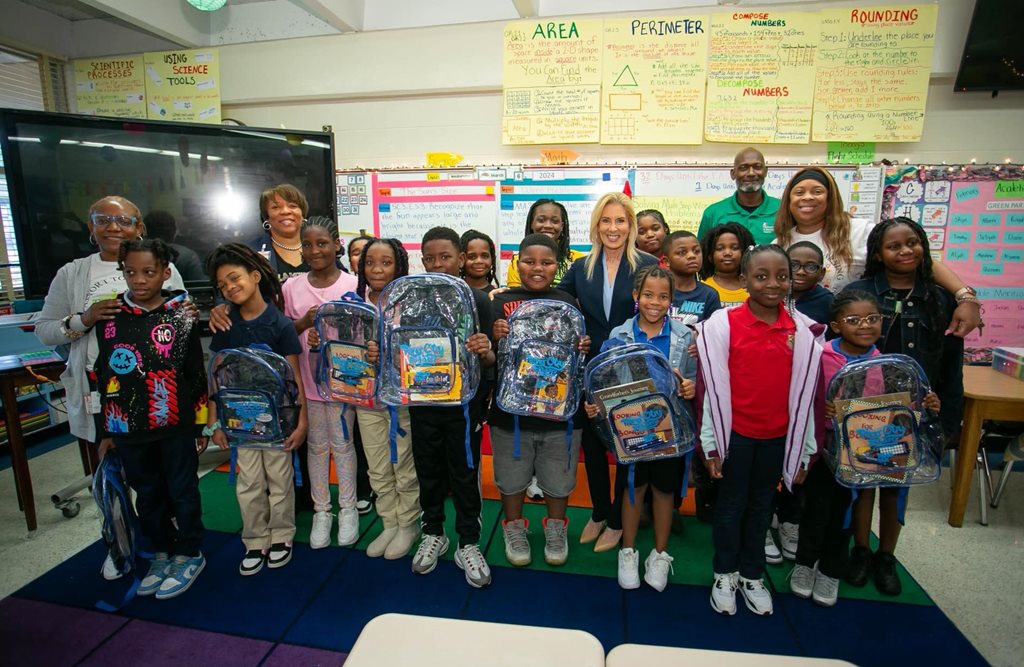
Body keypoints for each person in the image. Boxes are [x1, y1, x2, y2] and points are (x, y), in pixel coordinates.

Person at [35, 195, 185, 581]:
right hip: (101, 394)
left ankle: (169, 544)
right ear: (90, 227)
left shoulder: (166, 269)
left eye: (124, 220)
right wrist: (83, 319)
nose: (113, 227)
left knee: (159, 477)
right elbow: (44, 329)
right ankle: (119, 542)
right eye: (103, 219)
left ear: (140, 227)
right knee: (112, 474)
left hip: (155, 395)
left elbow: (180, 325)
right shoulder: (72, 274)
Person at [787, 289, 940, 607]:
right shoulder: (818, 357)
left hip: (862, 455)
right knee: (815, 510)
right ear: (836, 325)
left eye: (873, 318)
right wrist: (821, 408)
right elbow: (798, 398)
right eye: (853, 319)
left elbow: (901, 410)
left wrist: (925, 404)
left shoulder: (889, 365)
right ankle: (805, 564)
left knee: (845, 513)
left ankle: (831, 570)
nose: (865, 325)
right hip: (821, 449)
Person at [697, 245, 823, 617]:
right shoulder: (722, 325)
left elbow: (806, 398)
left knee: (761, 508)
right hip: (734, 437)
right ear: (744, 280)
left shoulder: (802, 331)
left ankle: (752, 574)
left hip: (777, 439)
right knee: (730, 506)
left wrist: (805, 450)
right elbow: (712, 391)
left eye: (781, 276)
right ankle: (725, 572)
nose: (772, 284)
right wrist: (710, 446)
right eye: (761, 276)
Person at [844, 217, 964, 596]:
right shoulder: (860, 292)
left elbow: (950, 364)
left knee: (896, 487)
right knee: (864, 484)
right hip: (864, 409)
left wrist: (948, 419)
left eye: (911, 243)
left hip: (914, 411)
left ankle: (887, 555)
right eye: (893, 246)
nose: (904, 251)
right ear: (878, 252)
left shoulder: (939, 298)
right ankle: (861, 550)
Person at [93, 239, 207, 599]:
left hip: (174, 422)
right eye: (130, 272)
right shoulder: (108, 316)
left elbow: (194, 372)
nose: (139, 280)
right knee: (148, 492)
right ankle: (161, 551)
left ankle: (189, 552)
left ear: (165, 272)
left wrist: (200, 424)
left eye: (149, 272)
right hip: (127, 424)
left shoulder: (183, 313)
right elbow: (102, 372)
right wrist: (106, 430)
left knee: (182, 489)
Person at [558, 192, 660, 553]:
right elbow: (559, 307)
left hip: (633, 369)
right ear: (596, 225)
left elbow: (660, 307)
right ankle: (600, 512)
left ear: (631, 226)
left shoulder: (647, 263)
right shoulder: (580, 266)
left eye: (620, 221)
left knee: (627, 443)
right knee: (593, 444)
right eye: (606, 220)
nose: (613, 228)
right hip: (590, 371)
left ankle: (619, 519)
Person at [775, 168, 983, 339]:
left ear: (830, 197)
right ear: (789, 200)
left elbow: (915, 259)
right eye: (799, 192)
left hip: (862, 334)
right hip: (806, 335)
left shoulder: (858, 230)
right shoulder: (781, 242)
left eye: (817, 191)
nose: (808, 197)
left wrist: (966, 297)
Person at [588, 265, 696, 593]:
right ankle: (628, 551)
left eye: (663, 297)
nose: (655, 302)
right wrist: (595, 406)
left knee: (664, 492)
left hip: (669, 434)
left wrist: (690, 387)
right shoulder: (620, 335)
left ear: (671, 301)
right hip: (630, 432)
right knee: (632, 489)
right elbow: (604, 384)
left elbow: (690, 380)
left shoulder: (683, 336)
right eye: (648, 294)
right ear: (636, 296)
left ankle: (660, 555)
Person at [206, 243, 308, 575]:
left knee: (280, 480)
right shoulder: (224, 324)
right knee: (248, 482)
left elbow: (294, 376)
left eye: (234, 278)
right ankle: (254, 540)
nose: (230, 287)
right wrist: (215, 423)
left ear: (254, 275)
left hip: (277, 422)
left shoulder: (279, 324)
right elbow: (217, 374)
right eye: (223, 285)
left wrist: (301, 421)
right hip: (239, 422)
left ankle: (282, 536)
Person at [490, 233, 589, 569]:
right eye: (529, 261)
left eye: (546, 262)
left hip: (559, 413)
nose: (537, 268)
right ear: (517, 263)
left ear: (557, 266)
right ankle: (514, 528)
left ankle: (556, 529)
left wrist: (583, 347)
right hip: (510, 416)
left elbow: (576, 356)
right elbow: (488, 359)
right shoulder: (498, 301)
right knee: (510, 478)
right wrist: (494, 338)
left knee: (559, 480)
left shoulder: (568, 301)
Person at [409, 227, 497, 588]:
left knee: (464, 473)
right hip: (423, 402)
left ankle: (468, 541)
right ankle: (433, 531)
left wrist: (483, 349)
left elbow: (492, 357)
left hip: (464, 406)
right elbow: (402, 350)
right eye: (429, 258)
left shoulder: (478, 299)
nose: (436, 264)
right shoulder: (412, 299)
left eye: (445, 257)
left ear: (461, 259)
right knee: (427, 470)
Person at [282, 218, 360, 549]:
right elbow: (284, 335)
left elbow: (364, 331)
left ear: (336, 244)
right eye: (308, 245)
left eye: (322, 243)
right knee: (316, 448)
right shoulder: (291, 287)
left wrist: (334, 329)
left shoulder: (355, 283)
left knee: (343, 446)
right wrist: (304, 324)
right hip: (309, 384)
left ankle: (348, 508)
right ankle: (321, 510)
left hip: (345, 382)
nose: (315, 250)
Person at [353, 238, 420, 559]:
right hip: (365, 400)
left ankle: (408, 524)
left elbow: (422, 351)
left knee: (403, 466)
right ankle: (389, 522)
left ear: (400, 266)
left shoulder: (410, 305)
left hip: (401, 402)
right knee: (378, 468)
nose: (377, 269)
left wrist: (391, 350)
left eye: (386, 262)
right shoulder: (353, 302)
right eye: (370, 262)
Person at [697, 148, 779, 244]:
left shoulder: (783, 209)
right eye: (744, 168)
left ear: (765, 171)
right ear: (733, 173)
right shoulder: (713, 213)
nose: (751, 173)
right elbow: (702, 253)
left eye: (757, 167)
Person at [506, 199, 585, 287]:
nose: (548, 225)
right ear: (532, 223)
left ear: (562, 226)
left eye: (555, 221)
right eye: (541, 220)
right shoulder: (520, 261)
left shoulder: (578, 260)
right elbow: (514, 297)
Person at [246, 183, 310, 276]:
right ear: (267, 217)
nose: (285, 211)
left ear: (302, 214)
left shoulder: (322, 247)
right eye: (275, 207)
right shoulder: (250, 252)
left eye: (292, 206)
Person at [663, 230, 720, 327]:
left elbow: (713, 332)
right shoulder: (658, 291)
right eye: (682, 252)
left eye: (696, 251)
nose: (692, 256)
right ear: (666, 261)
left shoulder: (709, 295)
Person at [699, 222, 754, 309]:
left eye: (734, 248)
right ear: (710, 256)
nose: (727, 253)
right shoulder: (701, 290)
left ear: (744, 253)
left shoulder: (754, 289)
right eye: (720, 248)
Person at [142, 211, 205, 282]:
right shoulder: (188, 256)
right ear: (174, 231)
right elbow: (200, 286)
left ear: (144, 231)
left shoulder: (134, 255)